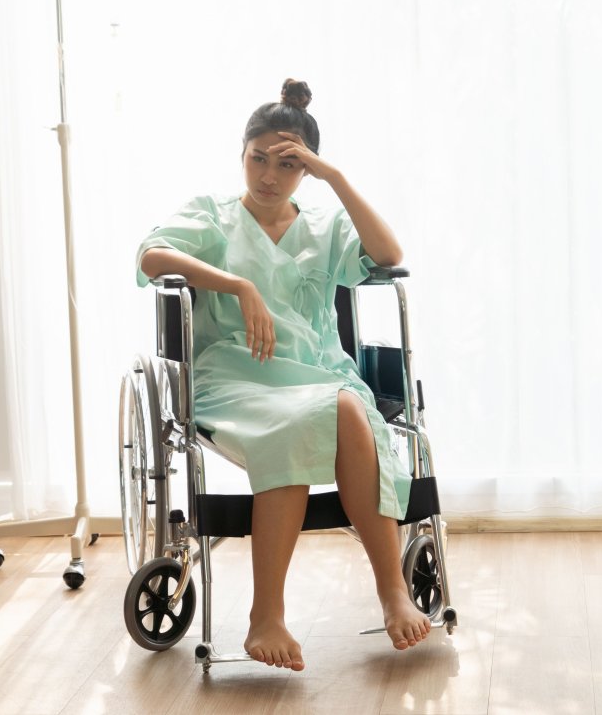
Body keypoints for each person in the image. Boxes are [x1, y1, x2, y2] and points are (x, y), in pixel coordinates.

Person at [135, 79, 430, 670]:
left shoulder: (325, 226)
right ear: (242, 154)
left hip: (318, 373)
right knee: (310, 419)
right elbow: (151, 256)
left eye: (288, 163)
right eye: (258, 158)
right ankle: (265, 615)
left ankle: (392, 591)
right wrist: (237, 284)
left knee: (347, 407)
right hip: (234, 379)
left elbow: (389, 254)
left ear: (306, 169)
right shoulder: (213, 217)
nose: (269, 174)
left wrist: (334, 177)